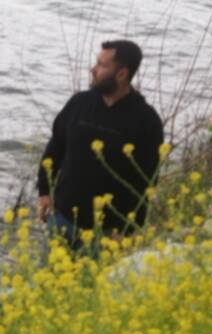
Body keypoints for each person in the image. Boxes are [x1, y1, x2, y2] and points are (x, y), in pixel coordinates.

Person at [37, 40, 165, 249]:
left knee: (92, 283)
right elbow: (55, 148)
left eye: (101, 65)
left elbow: (147, 180)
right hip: (63, 220)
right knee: (47, 281)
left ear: (122, 74)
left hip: (107, 234)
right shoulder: (79, 103)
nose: (93, 69)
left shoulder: (146, 121)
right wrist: (43, 191)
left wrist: (129, 228)